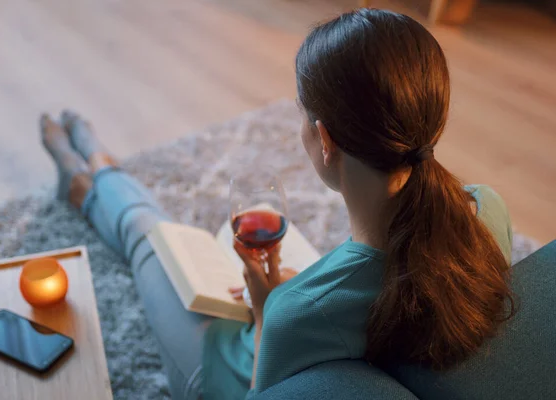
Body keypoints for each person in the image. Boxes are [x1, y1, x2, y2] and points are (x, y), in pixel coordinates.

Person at [41, 9, 514, 400]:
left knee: (150, 237)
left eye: (301, 114)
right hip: (290, 328)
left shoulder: (303, 309)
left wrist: (268, 305)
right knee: (159, 240)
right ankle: (98, 173)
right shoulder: (485, 209)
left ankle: (95, 178)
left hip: (220, 373)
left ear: (324, 140)